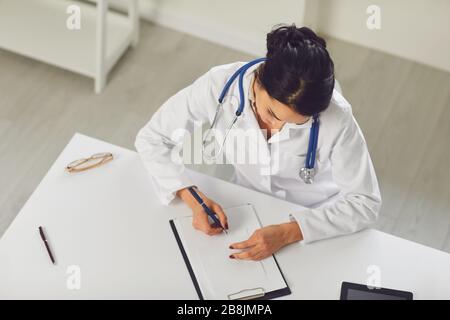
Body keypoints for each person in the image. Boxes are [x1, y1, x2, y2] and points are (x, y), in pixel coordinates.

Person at [135, 24, 381, 261]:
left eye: (296, 124)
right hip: (246, 205)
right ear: (260, 81)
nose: (278, 127)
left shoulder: (337, 118)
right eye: (273, 114)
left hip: (318, 218)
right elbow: (152, 138)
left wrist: (289, 232)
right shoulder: (219, 86)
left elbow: (365, 203)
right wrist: (191, 195)